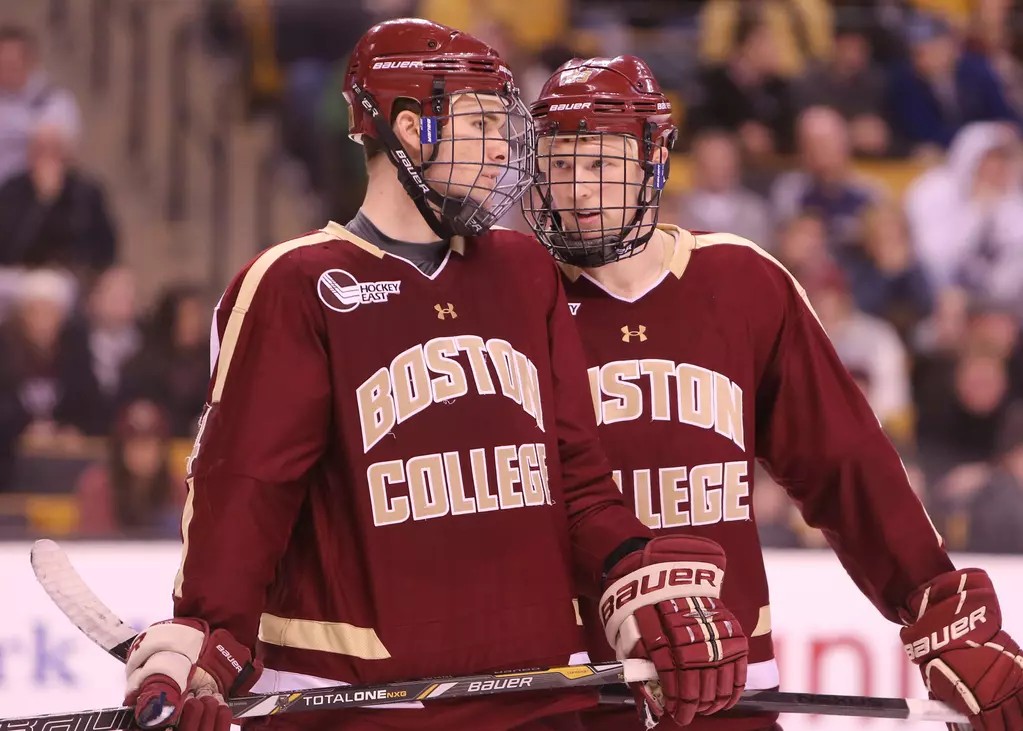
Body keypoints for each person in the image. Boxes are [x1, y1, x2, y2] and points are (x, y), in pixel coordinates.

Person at [119, 19, 741, 731]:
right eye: (481, 123)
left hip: (538, 697)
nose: (503, 146)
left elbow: (577, 480)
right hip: (370, 706)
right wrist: (208, 638)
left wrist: (638, 577)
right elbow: (245, 493)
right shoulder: (296, 283)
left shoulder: (524, 271)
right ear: (412, 129)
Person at [522, 54, 1023, 731]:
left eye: (600, 164)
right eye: (559, 165)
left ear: (654, 159)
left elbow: (844, 462)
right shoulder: (513, 295)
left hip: (727, 681)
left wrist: (934, 603)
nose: (578, 191)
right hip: (568, 687)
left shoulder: (742, 282)